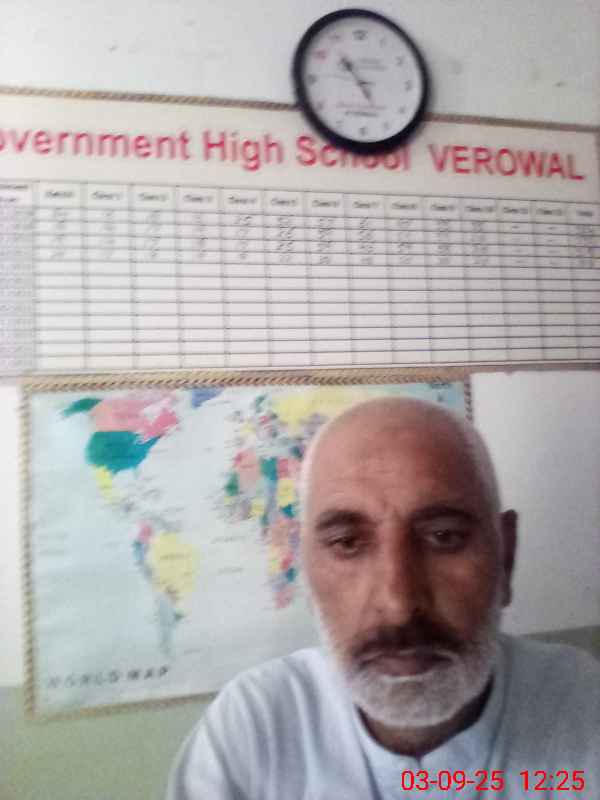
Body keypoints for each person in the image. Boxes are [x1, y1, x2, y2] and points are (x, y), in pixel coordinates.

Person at [166, 398, 600, 800]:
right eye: (347, 543)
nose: (399, 603)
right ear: (304, 563)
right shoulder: (253, 729)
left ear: (505, 557)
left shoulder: (585, 711)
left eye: (444, 537)